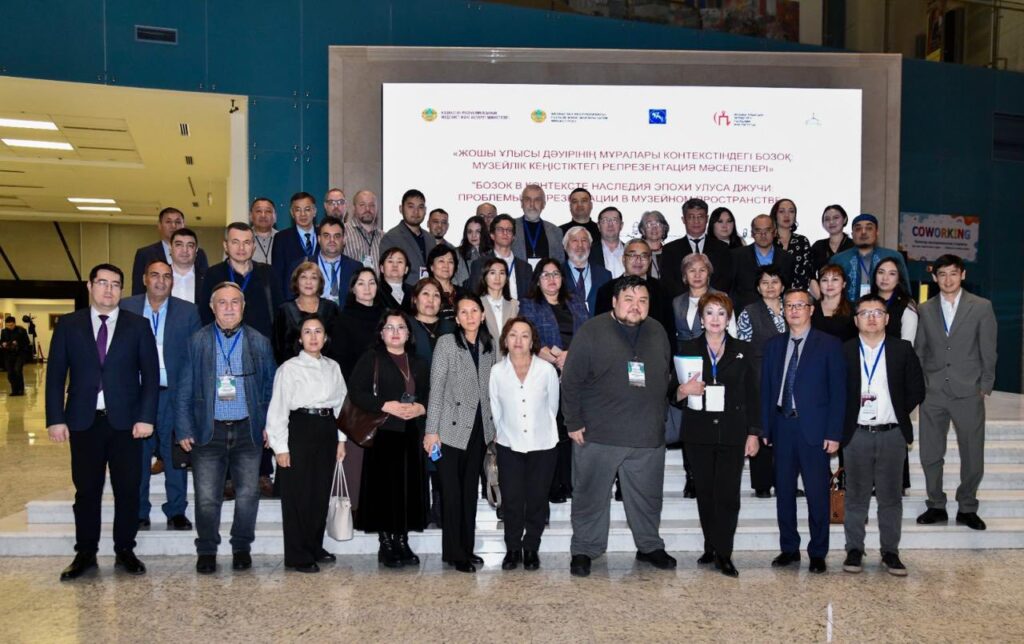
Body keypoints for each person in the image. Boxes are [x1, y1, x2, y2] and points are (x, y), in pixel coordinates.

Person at [46, 264, 159, 581]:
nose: (109, 289)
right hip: (84, 422)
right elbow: (55, 376)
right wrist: (55, 419)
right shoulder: (69, 325)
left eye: (115, 284)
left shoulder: (137, 326)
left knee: (128, 490)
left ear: (122, 289)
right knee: (86, 491)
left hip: (126, 424)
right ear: (90, 286)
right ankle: (85, 553)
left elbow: (151, 377)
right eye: (102, 283)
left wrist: (146, 417)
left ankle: (125, 549)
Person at [563, 276, 677, 577]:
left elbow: (664, 375)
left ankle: (649, 545)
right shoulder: (591, 331)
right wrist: (573, 421)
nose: (636, 306)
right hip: (598, 434)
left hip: (647, 436)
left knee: (648, 499)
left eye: (642, 300)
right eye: (629, 299)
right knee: (590, 497)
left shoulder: (657, 331)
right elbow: (571, 380)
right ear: (614, 302)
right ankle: (585, 549)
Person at [176, 281, 277, 574]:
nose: (229, 308)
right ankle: (207, 549)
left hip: (248, 431)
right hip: (208, 431)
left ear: (243, 307)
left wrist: (270, 424)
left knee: (248, 495)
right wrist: (183, 428)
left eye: (235, 302)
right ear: (212, 307)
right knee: (207, 498)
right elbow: (184, 388)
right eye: (222, 302)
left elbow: (271, 387)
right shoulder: (197, 341)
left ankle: (241, 547)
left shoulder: (259, 341)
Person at [761, 289, 845, 574]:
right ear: (783, 310)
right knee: (784, 493)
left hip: (815, 430)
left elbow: (838, 393)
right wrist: (765, 427)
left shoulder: (829, 345)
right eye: (789, 306)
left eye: (800, 305)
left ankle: (818, 552)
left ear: (811, 309)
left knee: (817, 494)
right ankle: (789, 548)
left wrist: (834, 432)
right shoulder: (774, 345)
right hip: (782, 426)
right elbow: (766, 389)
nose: (794, 310)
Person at [676, 292, 761, 577]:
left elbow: (753, 393)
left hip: (732, 431)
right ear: (701, 319)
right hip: (697, 431)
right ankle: (711, 545)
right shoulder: (687, 348)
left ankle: (724, 553)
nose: (715, 319)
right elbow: (671, 389)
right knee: (705, 492)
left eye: (721, 313)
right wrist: (683, 390)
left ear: (728, 319)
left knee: (727, 494)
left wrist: (753, 433)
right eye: (709, 313)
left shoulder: (743, 349)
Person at [841, 295, 925, 576]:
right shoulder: (845, 351)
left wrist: (896, 411)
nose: (872, 318)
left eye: (878, 312)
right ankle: (854, 549)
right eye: (865, 313)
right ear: (856, 320)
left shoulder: (902, 349)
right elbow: (835, 392)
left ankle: (890, 552)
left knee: (890, 498)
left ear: (887, 319)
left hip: (892, 434)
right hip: (856, 434)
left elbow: (917, 389)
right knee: (856, 497)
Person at [915, 254, 998, 531]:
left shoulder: (981, 307)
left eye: (953, 273)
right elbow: (920, 350)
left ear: (962, 275)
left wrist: (985, 386)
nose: (948, 279)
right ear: (934, 277)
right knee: (930, 453)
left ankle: (967, 506)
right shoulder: (925, 309)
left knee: (972, 454)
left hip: (968, 390)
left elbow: (988, 349)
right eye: (942, 274)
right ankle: (936, 504)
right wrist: (921, 385)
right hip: (933, 391)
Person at [121, 260, 201, 532]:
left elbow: (193, 357)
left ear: (172, 282)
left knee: (175, 454)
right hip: (138, 395)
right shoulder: (126, 307)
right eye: (155, 275)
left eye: (167, 276)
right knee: (138, 456)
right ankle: (139, 511)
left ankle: (176, 511)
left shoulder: (188, 312)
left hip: (173, 395)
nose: (161, 281)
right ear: (145, 279)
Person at [266, 315, 348, 573]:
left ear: (326, 337)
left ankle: (314, 545)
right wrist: (280, 448)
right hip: (299, 429)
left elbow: (342, 405)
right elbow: (278, 408)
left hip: (327, 430)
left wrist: (341, 440)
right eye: (307, 332)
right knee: (298, 495)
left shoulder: (333, 367)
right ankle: (297, 554)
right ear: (300, 339)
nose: (313, 337)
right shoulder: (289, 368)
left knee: (320, 493)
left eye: (318, 331)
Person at [350, 310, 430, 567]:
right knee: (384, 492)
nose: (395, 332)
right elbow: (356, 392)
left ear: (408, 334)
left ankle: (402, 540)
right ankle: (386, 544)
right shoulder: (371, 358)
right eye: (390, 327)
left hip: (411, 434)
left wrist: (421, 408)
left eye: (401, 327)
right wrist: (385, 405)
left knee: (408, 491)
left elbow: (431, 394)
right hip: (383, 435)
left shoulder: (419, 362)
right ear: (381, 333)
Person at [424, 295, 496, 573]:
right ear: (456, 318)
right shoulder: (446, 343)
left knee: (469, 494)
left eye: (474, 311)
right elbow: (436, 389)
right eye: (463, 312)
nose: (469, 316)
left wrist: (494, 429)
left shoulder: (489, 345)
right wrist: (431, 432)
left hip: (479, 430)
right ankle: (455, 553)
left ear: (482, 315)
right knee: (452, 495)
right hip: (449, 431)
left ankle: (466, 548)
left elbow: (492, 391)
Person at [490, 317, 560, 571]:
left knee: (537, 499)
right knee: (511, 500)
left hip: (543, 444)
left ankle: (531, 548)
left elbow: (552, 407)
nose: (518, 340)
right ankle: (512, 549)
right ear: (505, 341)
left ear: (532, 342)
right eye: (513, 335)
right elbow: (495, 409)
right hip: (509, 444)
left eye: (525, 335)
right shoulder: (497, 372)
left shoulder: (546, 370)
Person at [520, 259, 590, 505]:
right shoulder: (529, 304)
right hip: (544, 373)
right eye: (545, 275)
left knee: (573, 425)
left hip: (577, 373)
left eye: (556, 274)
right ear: (537, 280)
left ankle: (571, 482)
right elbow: (526, 336)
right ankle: (552, 484)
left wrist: (570, 355)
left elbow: (589, 334)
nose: (551, 279)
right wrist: (553, 356)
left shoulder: (576, 302)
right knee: (551, 429)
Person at [327, 268, 384, 517]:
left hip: (385, 395)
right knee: (356, 456)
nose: (367, 288)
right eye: (361, 283)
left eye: (372, 282)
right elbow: (339, 360)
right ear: (352, 288)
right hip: (355, 395)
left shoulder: (386, 317)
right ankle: (357, 509)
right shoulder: (343, 319)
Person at [736, 266, 788, 498]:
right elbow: (743, 346)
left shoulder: (792, 308)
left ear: (782, 286)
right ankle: (762, 483)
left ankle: (785, 480)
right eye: (765, 283)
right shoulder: (749, 312)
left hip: (789, 377)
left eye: (774, 282)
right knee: (761, 426)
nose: (770, 287)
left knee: (785, 431)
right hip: (759, 375)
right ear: (758, 288)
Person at [200, 223, 284, 340]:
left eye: (246, 242)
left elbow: (279, 312)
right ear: (225, 245)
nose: (241, 248)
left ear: (253, 246)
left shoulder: (268, 273)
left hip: (262, 344)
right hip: (224, 343)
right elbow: (205, 313)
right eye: (235, 242)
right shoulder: (213, 274)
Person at [595, 239, 674, 339]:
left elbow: (669, 330)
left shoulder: (662, 290)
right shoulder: (606, 290)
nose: (638, 260)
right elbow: (600, 329)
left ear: (650, 260)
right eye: (632, 255)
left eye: (643, 256)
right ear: (623, 259)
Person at [659, 198, 733, 298]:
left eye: (700, 217)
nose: (696, 221)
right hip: (681, 304)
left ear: (707, 219)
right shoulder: (670, 250)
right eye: (691, 217)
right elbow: (669, 282)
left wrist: (708, 299)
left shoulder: (722, 248)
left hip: (714, 302)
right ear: (683, 220)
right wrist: (690, 299)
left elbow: (725, 280)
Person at [829, 213, 911, 301]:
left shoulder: (893, 256)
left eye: (869, 228)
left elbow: (905, 290)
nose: (863, 232)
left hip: (886, 307)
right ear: (852, 234)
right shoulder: (839, 259)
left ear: (877, 232)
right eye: (858, 229)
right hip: (847, 308)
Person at [272, 260, 341, 364]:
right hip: (292, 369)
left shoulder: (331, 308)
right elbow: (277, 347)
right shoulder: (284, 310)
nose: (308, 282)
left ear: (320, 282)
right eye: (303, 277)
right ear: (296, 281)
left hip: (326, 368)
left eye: (314, 278)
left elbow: (339, 344)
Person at [284, 216, 361, 308]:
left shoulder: (356, 268)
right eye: (326, 236)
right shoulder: (300, 265)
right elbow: (291, 301)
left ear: (344, 240)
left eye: (337, 236)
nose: (332, 240)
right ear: (319, 239)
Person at [132, 207, 210, 296]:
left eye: (178, 222)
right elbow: (138, 290)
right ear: (159, 225)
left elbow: (206, 286)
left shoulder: (198, 253)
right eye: (168, 222)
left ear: (184, 225)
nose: (173, 226)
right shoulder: (144, 254)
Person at [671, 253, 735, 352]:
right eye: (692, 270)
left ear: (708, 274)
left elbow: (732, 331)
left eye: (702, 270)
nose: (697, 275)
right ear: (685, 275)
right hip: (684, 354)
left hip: (714, 353)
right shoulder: (677, 301)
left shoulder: (722, 297)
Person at [730, 214, 795, 311]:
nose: (763, 234)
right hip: (745, 313)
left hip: (778, 314)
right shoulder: (736, 256)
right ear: (752, 233)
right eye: (758, 230)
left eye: (767, 230)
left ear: (774, 232)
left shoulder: (787, 258)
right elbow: (731, 290)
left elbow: (787, 291)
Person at [467, 214, 533, 300]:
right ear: (492, 235)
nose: (505, 233)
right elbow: (474, 298)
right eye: (500, 229)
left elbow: (530, 299)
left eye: (509, 230)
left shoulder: (525, 268)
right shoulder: (479, 265)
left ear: (513, 237)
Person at [380, 189, 437, 286]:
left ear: (425, 210)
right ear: (401, 209)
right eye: (411, 207)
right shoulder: (391, 238)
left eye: (420, 207)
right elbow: (388, 273)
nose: (416, 212)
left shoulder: (430, 238)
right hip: (403, 292)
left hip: (428, 291)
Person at [271, 192, 320, 296]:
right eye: (298, 210)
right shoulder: (281, 238)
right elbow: (277, 275)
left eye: (307, 209)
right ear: (292, 213)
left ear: (314, 211)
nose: (303, 214)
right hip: (292, 299)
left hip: (321, 297)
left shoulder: (324, 235)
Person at [563, 225, 612, 315]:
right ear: (565, 246)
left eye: (584, 240)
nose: (580, 245)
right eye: (574, 240)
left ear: (590, 245)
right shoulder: (557, 273)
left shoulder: (604, 275)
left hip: (597, 323)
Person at [512, 184, 564, 267]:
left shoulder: (556, 231)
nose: (532, 204)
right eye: (528, 199)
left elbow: (560, 263)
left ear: (543, 204)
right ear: (522, 203)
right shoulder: (511, 227)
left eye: (537, 200)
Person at [809, 204, 854, 297]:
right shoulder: (818, 246)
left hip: (850, 297)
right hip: (823, 297)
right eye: (827, 219)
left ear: (845, 219)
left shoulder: (853, 245)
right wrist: (821, 300)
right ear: (823, 223)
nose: (831, 222)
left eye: (836, 218)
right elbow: (810, 275)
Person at [872, 257, 919, 343]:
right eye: (881, 272)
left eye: (892, 274)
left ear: (898, 279)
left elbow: (907, 345)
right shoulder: (866, 303)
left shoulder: (907, 306)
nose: (885, 278)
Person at [770, 198, 813, 290]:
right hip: (771, 293)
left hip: (797, 294)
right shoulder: (768, 241)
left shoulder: (802, 241)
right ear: (775, 215)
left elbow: (807, 273)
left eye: (791, 211)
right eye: (782, 211)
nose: (786, 215)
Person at [476, 257, 519, 341]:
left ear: (506, 278)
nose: (497, 278)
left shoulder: (515, 304)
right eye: (492, 273)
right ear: (485, 277)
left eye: (502, 273)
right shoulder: (477, 304)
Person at [811, 264, 857, 343]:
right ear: (819, 285)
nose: (829, 284)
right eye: (824, 280)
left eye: (835, 279)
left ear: (844, 284)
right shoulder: (810, 309)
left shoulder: (854, 309)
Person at [343, 190, 383, 269]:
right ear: (354, 208)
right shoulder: (343, 232)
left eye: (372, 205)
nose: (367, 209)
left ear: (377, 209)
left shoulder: (384, 237)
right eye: (362, 205)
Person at [426, 245, 466, 322]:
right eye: (441, 261)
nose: (446, 265)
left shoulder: (464, 293)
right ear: (432, 267)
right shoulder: (425, 294)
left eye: (450, 262)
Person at [168, 228, 205, 304]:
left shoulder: (207, 277)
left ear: (196, 250)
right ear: (170, 248)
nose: (185, 250)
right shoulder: (159, 277)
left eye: (190, 245)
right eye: (179, 245)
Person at [455, 215, 490, 287]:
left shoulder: (491, 252)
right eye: (470, 232)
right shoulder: (457, 253)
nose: (473, 235)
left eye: (478, 231)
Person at [1, 315, 31, 395]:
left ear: (14, 323)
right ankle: (14, 390)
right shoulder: (4, 331)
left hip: (20, 354)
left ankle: (20, 390)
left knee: (17, 370)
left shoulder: (21, 330)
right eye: (7, 325)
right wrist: (3, 344)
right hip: (8, 354)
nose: (9, 327)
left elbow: (27, 342)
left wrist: (18, 343)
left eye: (11, 325)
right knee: (10, 373)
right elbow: (2, 341)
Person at [638, 210, 670, 278]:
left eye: (658, 224)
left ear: (664, 229)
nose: (654, 228)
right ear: (643, 230)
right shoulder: (636, 255)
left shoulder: (671, 254)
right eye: (649, 224)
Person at [595, 207, 626, 278]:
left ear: (621, 225)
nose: (610, 224)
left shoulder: (630, 251)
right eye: (605, 220)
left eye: (615, 220)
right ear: (598, 226)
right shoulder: (589, 253)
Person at [249, 197, 278, 264]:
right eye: (258, 211)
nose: (263, 215)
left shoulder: (283, 239)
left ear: (275, 217)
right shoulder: (242, 240)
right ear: (250, 216)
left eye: (268, 211)